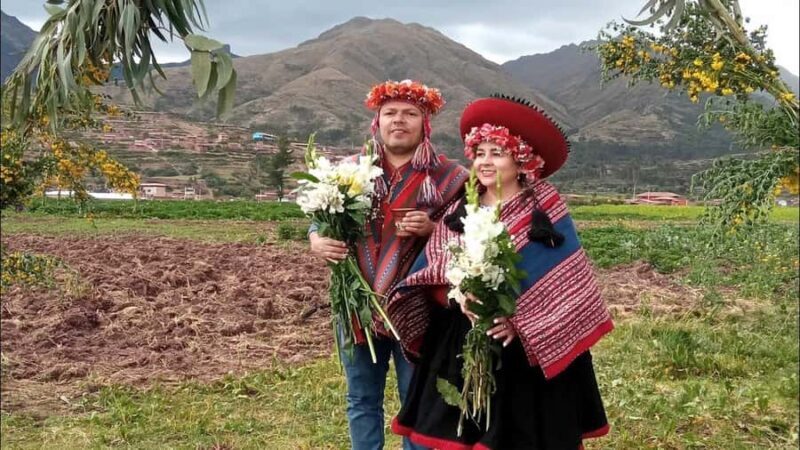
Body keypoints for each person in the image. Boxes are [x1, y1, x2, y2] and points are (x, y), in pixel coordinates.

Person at [386, 94, 613, 449]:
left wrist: (517, 321)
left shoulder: (545, 206)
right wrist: (455, 297)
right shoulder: (462, 207)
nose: (485, 161)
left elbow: (568, 281)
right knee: (463, 427)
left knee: (522, 434)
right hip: (462, 338)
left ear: (521, 160)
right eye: (479, 153)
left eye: (497, 152)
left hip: (525, 348)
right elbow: (432, 271)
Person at [309, 79, 469, 450]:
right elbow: (318, 216)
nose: (399, 121)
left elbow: (465, 233)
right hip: (356, 306)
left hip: (419, 309)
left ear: (425, 123)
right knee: (361, 398)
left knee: (416, 403)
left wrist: (432, 229)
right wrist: (317, 240)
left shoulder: (448, 177)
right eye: (390, 113)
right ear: (376, 121)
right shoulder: (349, 172)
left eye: (410, 114)